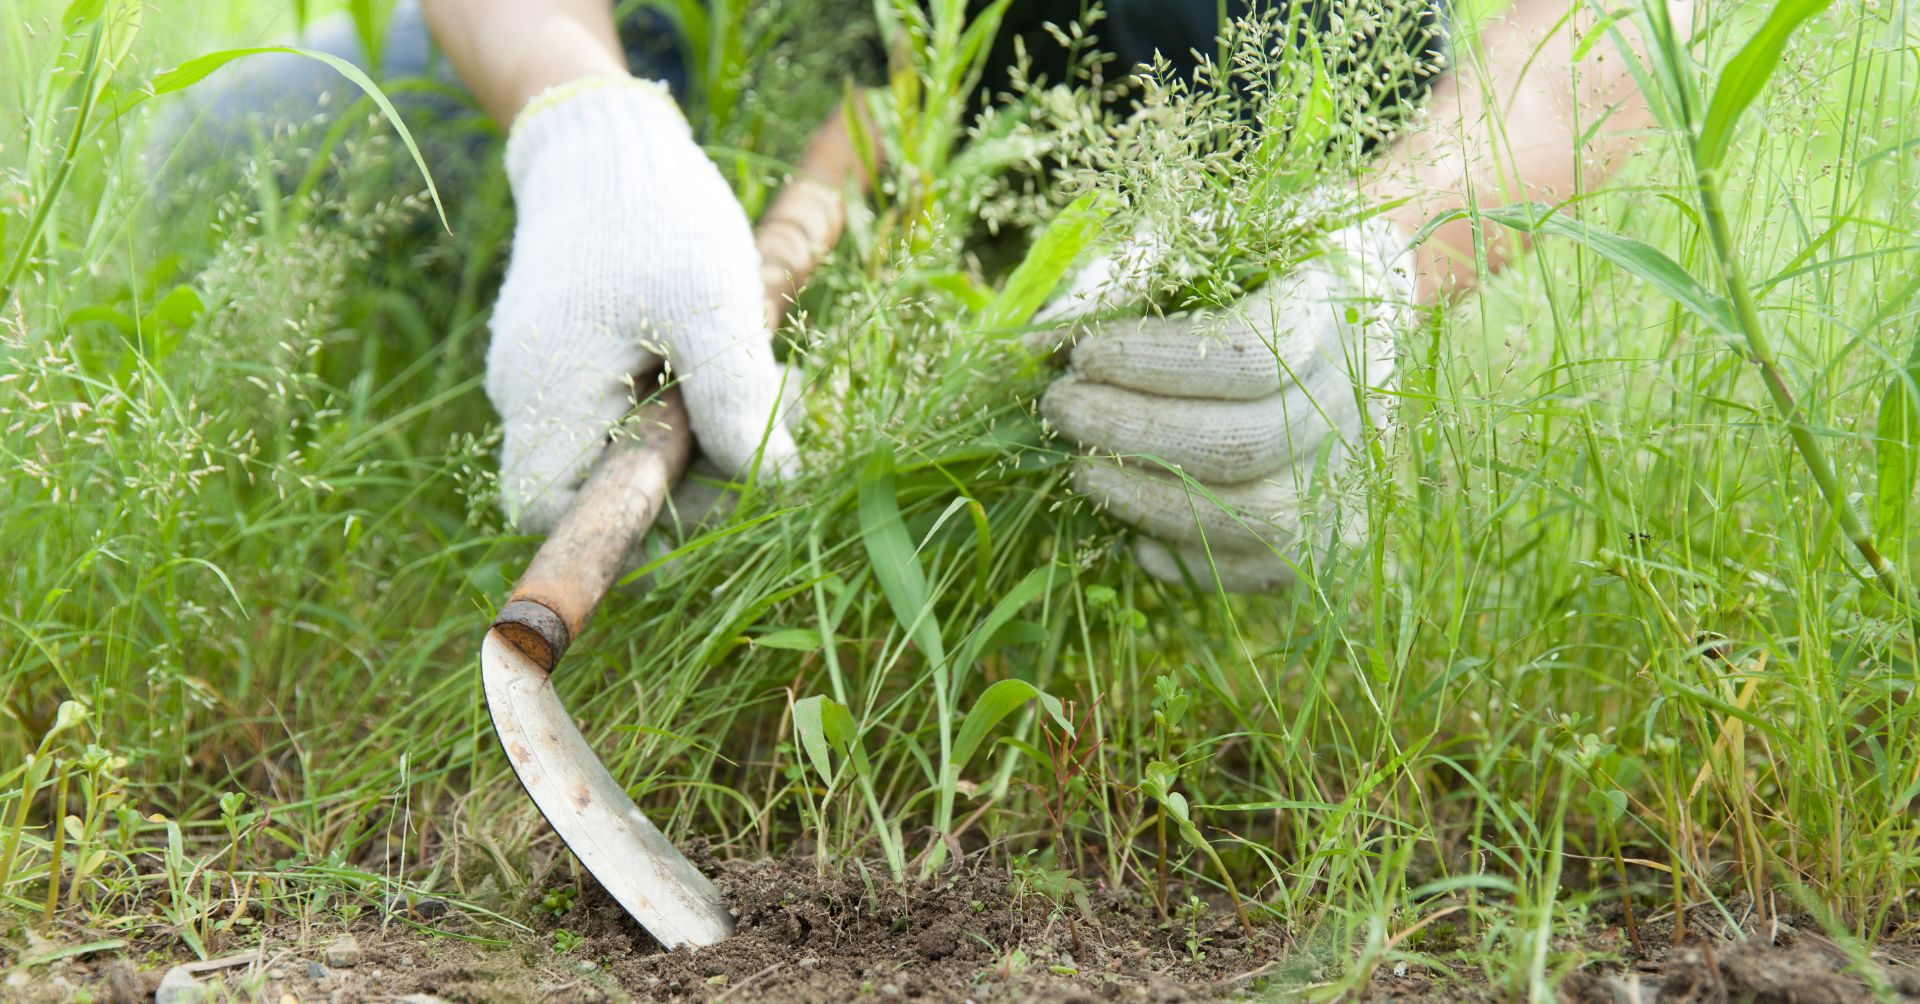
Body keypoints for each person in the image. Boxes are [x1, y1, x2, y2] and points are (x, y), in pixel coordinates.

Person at [185, 0, 1673, 589]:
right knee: (246, 143)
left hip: (1210, 119)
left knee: (1204, 477)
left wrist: (1382, 251)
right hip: (740, 59)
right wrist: (585, 125)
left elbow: (1607, 30)